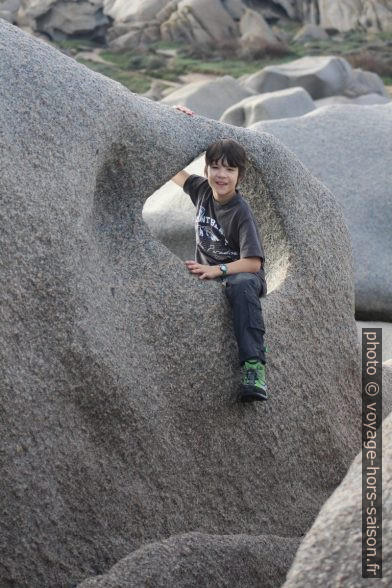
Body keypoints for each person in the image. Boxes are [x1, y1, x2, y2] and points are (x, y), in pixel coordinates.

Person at [172, 105, 268, 402]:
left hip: (243, 277)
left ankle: (255, 368)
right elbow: (170, 169)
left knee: (240, 286)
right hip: (210, 276)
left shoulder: (241, 210)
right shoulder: (201, 190)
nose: (221, 175)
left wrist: (219, 270)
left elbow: (253, 263)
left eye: (229, 169)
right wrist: (178, 122)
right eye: (215, 167)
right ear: (207, 170)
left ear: (240, 175)